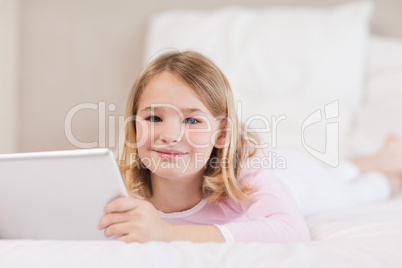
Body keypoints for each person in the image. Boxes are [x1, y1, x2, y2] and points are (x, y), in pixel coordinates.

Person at [97, 50, 402, 243]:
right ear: (134, 126)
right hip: (281, 172)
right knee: (338, 171)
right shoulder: (117, 181)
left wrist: (168, 234)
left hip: (297, 179)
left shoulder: (246, 170)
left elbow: (290, 231)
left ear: (221, 134)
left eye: (192, 121)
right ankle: (368, 161)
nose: (169, 134)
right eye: (154, 117)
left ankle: (384, 168)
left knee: (353, 190)